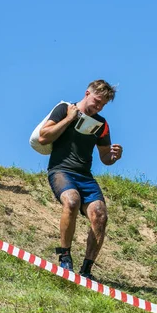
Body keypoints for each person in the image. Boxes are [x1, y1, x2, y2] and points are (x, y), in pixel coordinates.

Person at [38, 80, 123, 280]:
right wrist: (69, 118)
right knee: (72, 201)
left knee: (100, 215)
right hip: (60, 170)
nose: (98, 107)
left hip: (84, 175)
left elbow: (105, 157)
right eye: (97, 101)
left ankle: (86, 270)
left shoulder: (101, 124)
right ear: (87, 93)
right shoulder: (64, 109)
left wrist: (114, 156)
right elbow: (43, 137)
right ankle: (65, 257)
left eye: (103, 105)